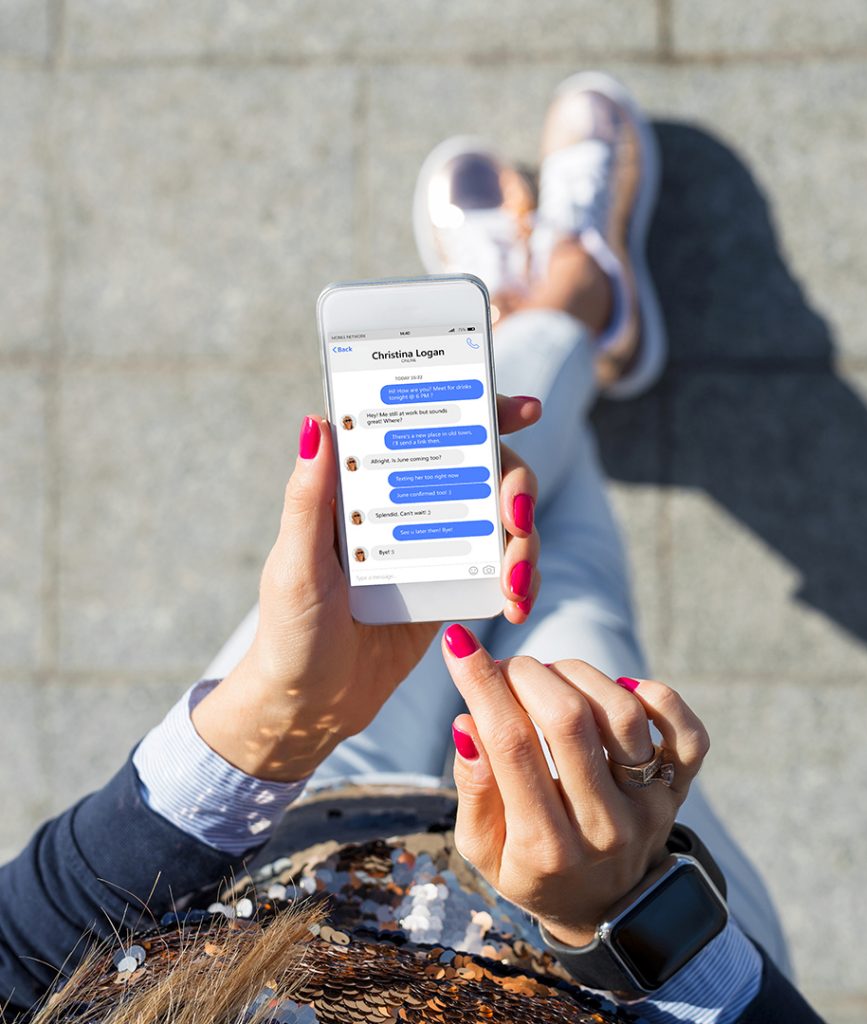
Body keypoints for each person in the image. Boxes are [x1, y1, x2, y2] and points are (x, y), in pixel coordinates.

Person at [0, 72, 823, 1022]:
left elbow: (19, 957)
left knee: (495, 525)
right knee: (579, 604)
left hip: (299, 805)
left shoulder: (289, 730)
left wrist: (277, 719)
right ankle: (563, 302)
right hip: (615, 905)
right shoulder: (625, 901)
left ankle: (551, 309)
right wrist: (628, 911)